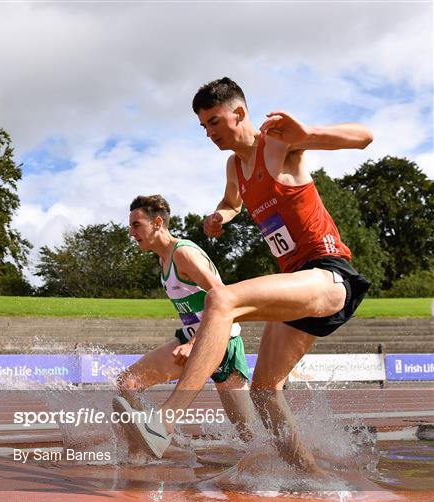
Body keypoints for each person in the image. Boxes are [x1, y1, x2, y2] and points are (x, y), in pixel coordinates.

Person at [118, 78, 373, 473]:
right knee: (264, 392)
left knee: (222, 299)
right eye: (203, 126)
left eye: (215, 122)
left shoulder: (278, 143)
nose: (209, 133)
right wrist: (222, 214)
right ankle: (314, 478)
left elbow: (364, 137)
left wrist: (309, 134)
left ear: (239, 113)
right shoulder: (235, 166)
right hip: (296, 288)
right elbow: (232, 200)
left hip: (328, 274)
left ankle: (164, 421)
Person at [113, 194, 256, 456]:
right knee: (128, 383)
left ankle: (294, 464)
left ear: (157, 223)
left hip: (222, 345)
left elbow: (222, 297)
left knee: (252, 436)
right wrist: (190, 341)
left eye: (136, 225)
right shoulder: (163, 259)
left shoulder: (184, 254)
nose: (131, 232)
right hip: (191, 341)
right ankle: (155, 444)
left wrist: (194, 343)